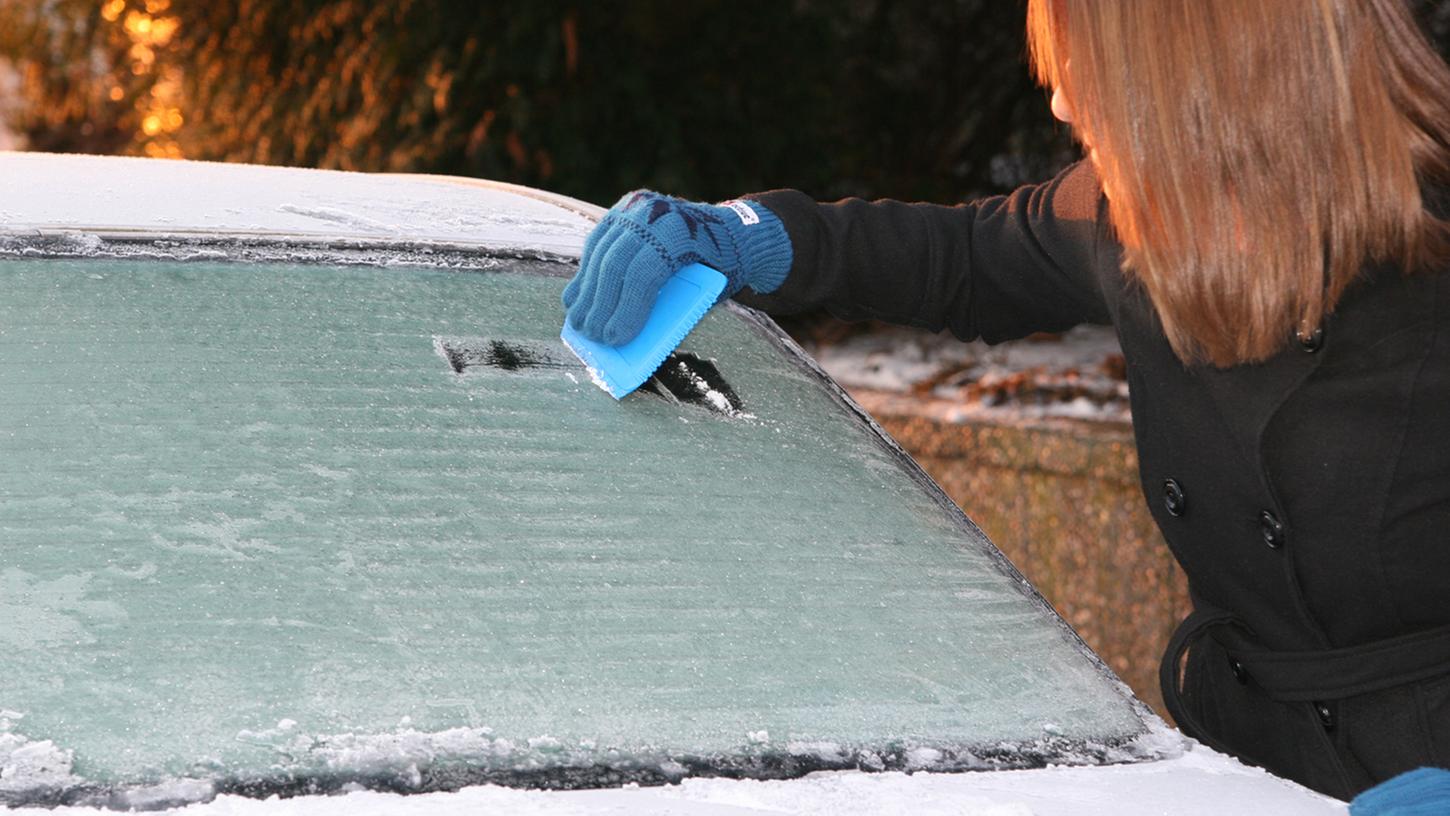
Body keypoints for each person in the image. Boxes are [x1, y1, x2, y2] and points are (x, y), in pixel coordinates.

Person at [562, 0, 1450, 801]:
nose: (1062, 105)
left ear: (1204, 70)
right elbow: (960, 258)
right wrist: (744, 237)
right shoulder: (1131, 219)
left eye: (1090, 65)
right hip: (1250, 771)